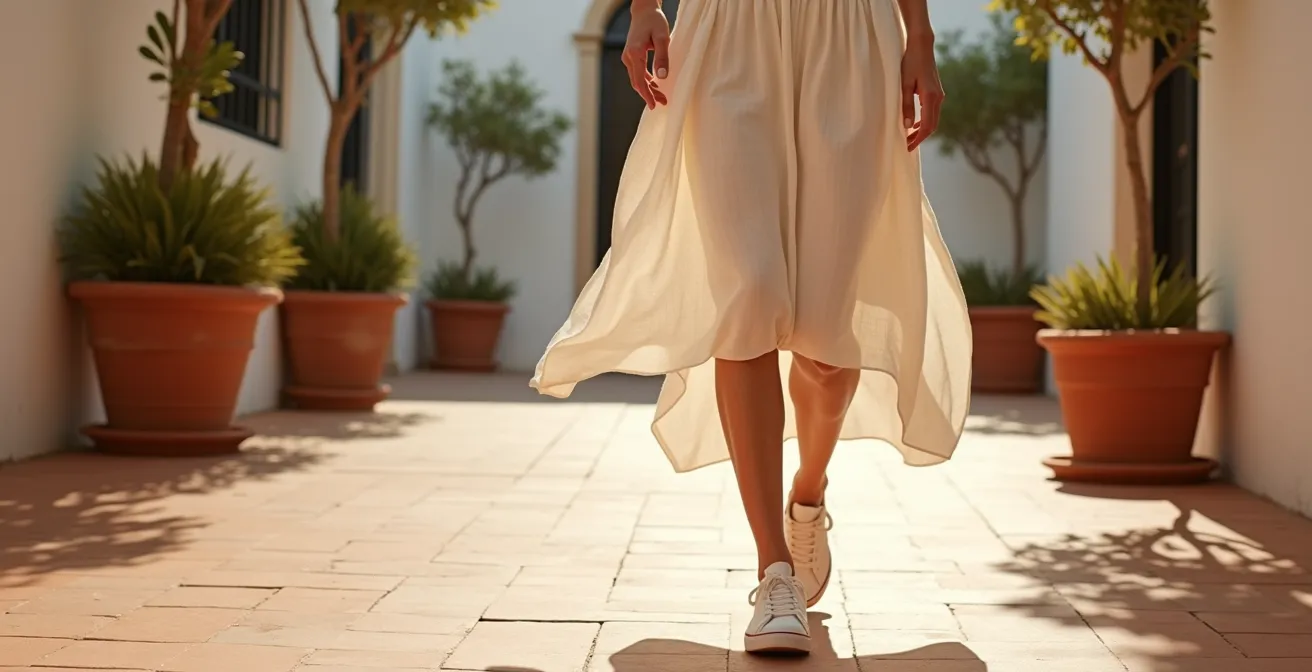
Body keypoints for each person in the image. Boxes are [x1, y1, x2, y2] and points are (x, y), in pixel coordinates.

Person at [532, 0, 971, 656]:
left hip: (849, 36)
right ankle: (774, 572)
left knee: (828, 338)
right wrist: (646, 6)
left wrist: (921, 38)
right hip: (728, 32)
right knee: (749, 297)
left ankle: (808, 493)